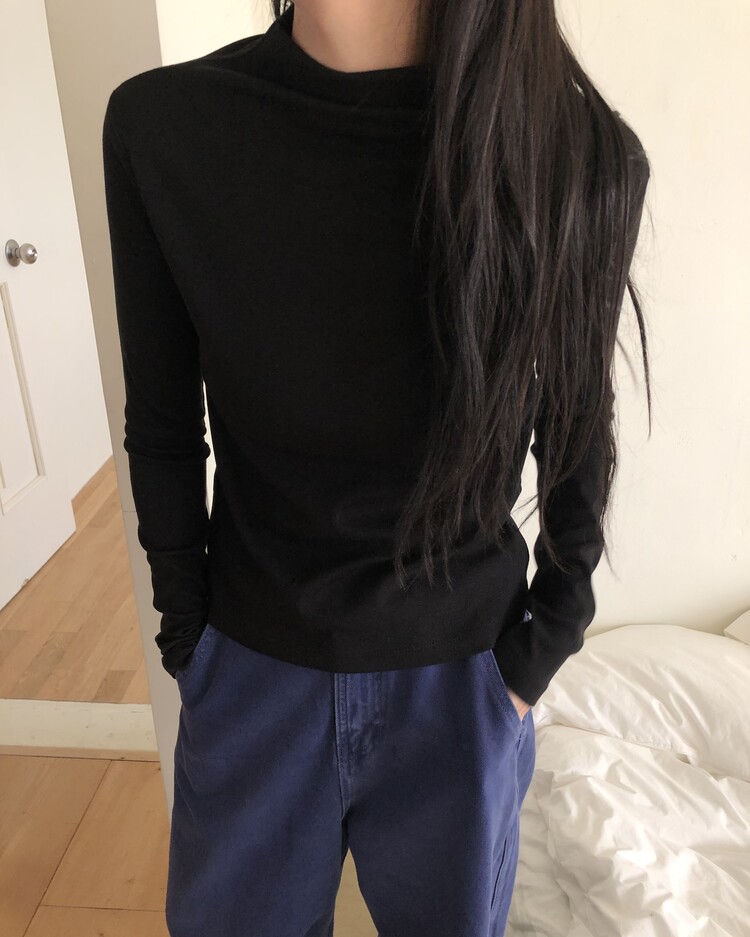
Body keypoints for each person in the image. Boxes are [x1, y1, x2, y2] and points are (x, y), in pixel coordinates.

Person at [101, 1, 651, 934]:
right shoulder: (165, 127)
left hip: (465, 683)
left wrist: (543, 645)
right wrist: (187, 635)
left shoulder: (576, 153)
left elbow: (575, 429)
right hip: (250, 669)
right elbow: (161, 421)